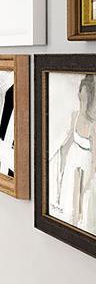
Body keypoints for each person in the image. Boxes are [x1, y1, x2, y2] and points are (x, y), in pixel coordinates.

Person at [51, 72, 96, 231]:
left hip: (86, 166)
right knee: (71, 201)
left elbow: (94, 160)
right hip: (74, 162)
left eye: (84, 97)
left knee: (81, 204)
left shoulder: (92, 126)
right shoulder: (75, 116)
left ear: (90, 99)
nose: (81, 99)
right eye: (80, 95)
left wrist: (89, 182)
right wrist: (58, 155)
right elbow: (68, 142)